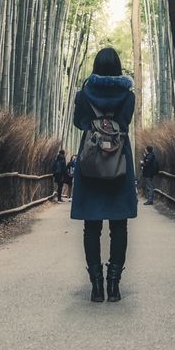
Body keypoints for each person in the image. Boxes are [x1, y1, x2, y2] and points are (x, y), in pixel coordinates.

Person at [71, 47, 137, 303]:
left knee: (92, 226)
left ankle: (96, 286)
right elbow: (126, 121)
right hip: (118, 162)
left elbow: (79, 122)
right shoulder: (128, 96)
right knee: (119, 224)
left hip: (91, 162)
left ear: (97, 66)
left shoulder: (84, 94)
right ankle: (114, 286)